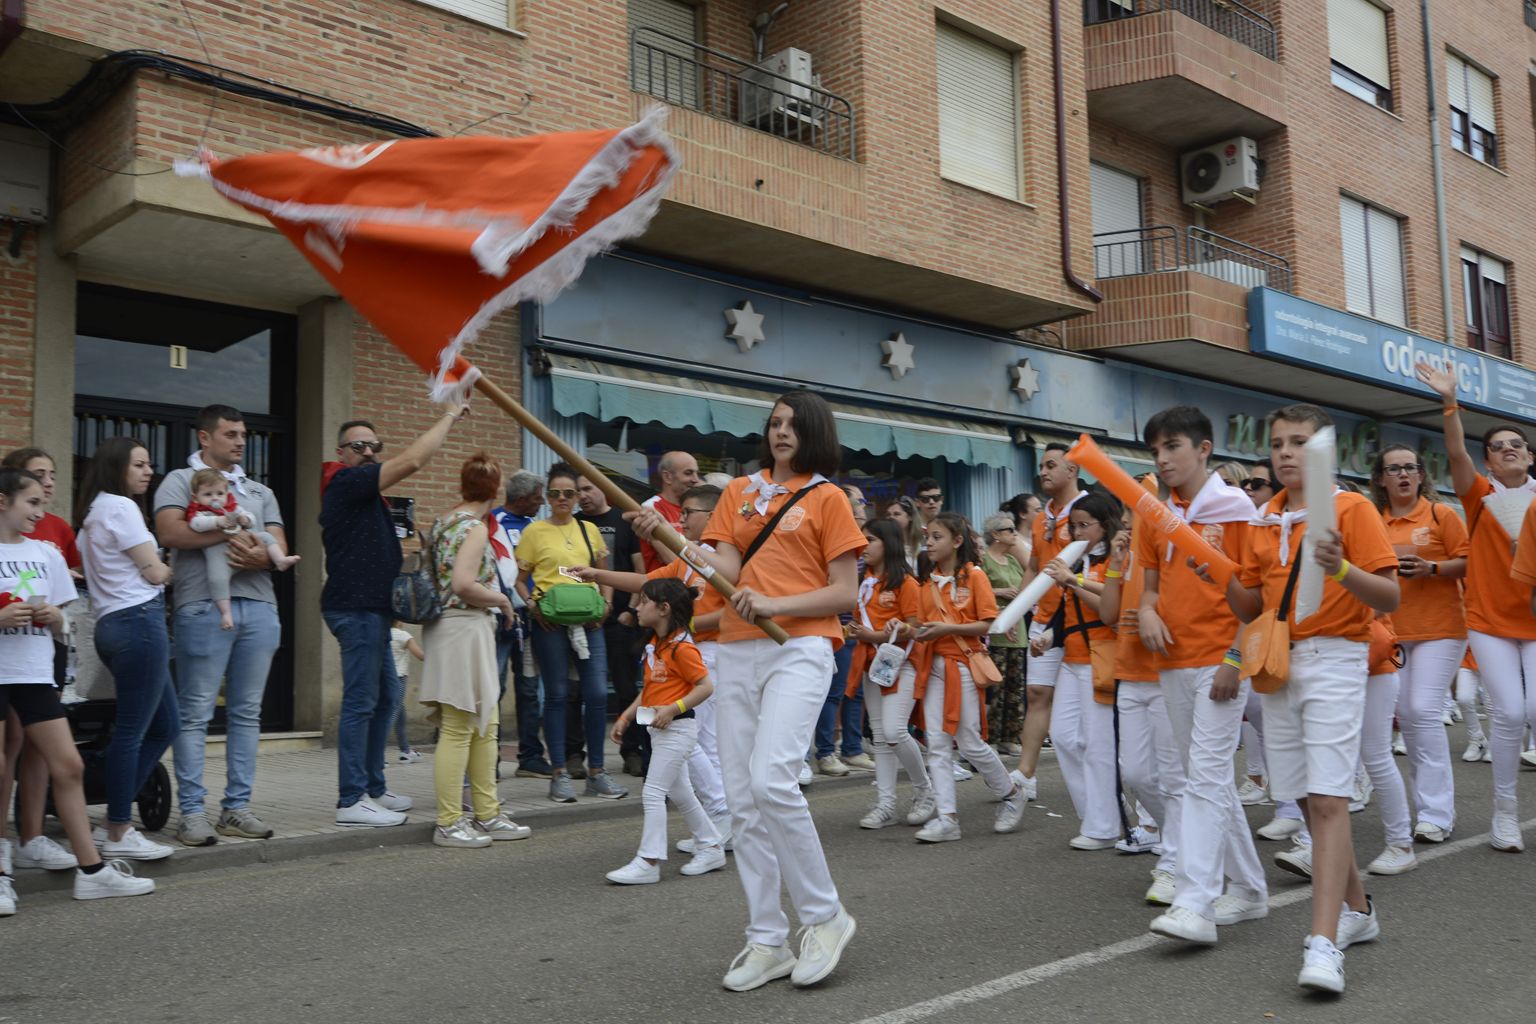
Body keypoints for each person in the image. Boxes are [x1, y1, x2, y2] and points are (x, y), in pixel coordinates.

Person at [632, 390, 863, 991]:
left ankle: (825, 916)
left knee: (771, 780)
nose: (781, 432)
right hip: (735, 649)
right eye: (774, 424)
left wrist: (776, 603)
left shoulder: (828, 497)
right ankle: (767, 939)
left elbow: (843, 594)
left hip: (800, 648)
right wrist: (666, 536)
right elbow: (723, 574)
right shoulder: (738, 491)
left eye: (791, 424)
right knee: (742, 801)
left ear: (812, 431)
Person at [1216, 403, 1398, 995]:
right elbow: (1250, 610)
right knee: (1310, 799)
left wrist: (1340, 567)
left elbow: (1390, 597)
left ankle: (1323, 944)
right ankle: (1359, 912)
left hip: (1337, 661)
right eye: (1277, 444)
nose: (1286, 453)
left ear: (1322, 451)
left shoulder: (1352, 508)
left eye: (1299, 442)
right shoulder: (1261, 519)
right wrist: (1215, 567)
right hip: (1280, 663)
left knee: (1327, 802)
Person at [1135, 406, 1268, 944]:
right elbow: (1147, 586)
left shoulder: (1236, 511)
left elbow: (1255, 600)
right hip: (1171, 660)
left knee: (1203, 780)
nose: (1164, 460)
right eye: (1156, 452)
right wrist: (1145, 611)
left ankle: (1195, 901)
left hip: (1220, 660)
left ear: (1204, 449)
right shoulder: (1154, 514)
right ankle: (1252, 890)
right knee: (1207, 781)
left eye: (1174, 448)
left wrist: (1235, 660)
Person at [0, 467, 154, 913]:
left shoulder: (44, 554)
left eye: (41, 504)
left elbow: (60, 616)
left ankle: (91, 872)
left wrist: (54, 618)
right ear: (3, 501)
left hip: (33, 673)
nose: (39, 511)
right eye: (31, 502)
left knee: (68, 766)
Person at [321, 406, 468, 827]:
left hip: (376, 614)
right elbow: (413, 460)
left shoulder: (368, 497)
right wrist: (450, 416)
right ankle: (351, 800)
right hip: (356, 609)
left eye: (373, 446)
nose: (368, 452)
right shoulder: (345, 481)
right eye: (358, 446)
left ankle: (372, 788)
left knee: (385, 699)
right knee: (361, 702)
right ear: (342, 452)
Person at [154, 404, 287, 845]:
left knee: (247, 713)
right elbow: (171, 533)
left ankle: (236, 808)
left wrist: (260, 555)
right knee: (195, 714)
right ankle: (192, 813)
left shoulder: (259, 490)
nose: (240, 441)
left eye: (243, 433)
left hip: (261, 607)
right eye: (230, 434)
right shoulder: (178, 480)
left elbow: (279, 545)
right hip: (203, 606)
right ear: (204, 438)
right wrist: (230, 535)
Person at [574, 483, 732, 848]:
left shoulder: (723, 560)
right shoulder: (691, 558)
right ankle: (713, 827)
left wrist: (685, 626)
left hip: (709, 657)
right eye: (681, 513)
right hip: (685, 651)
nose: (682, 519)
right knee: (692, 748)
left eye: (688, 513)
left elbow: (733, 612)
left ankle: (722, 821)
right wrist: (598, 575)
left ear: (712, 516)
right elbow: (647, 582)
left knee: (703, 746)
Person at [1421, 362, 1534, 853]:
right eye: (1497, 446)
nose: (1508, 449)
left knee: (1534, 707)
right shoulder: (1480, 496)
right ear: (1488, 462)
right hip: (1489, 623)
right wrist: (1450, 402)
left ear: (1530, 456)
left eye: (1517, 444)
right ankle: (1504, 813)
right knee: (1509, 711)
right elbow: (1452, 450)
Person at [73, 438, 181, 863]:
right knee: (134, 731)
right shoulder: (122, 508)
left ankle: (113, 820)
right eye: (139, 464)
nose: (147, 471)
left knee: (163, 725)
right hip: (139, 622)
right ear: (117, 467)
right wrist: (169, 569)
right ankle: (117, 828)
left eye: (149, 464)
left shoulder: (91, 516)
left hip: (111, 625)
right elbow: (154, 572)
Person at [420, 453, 530, 849]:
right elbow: (465, 584)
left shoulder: (443, 523)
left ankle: (486, 813)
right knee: (463, 725)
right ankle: (450, 821)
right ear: (495, 488)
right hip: (464, 627)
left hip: (451, 628)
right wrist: (501, 600)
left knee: (484, 724)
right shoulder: (475, 529)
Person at [1370, 443, 1467, 844]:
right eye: (1394, 469)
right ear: (1380, 479)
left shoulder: (1440, 514)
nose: (1403, 475)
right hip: (1392, 633)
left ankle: (1436, 814)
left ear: (1422, 476)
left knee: (1422, 711)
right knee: (1406, 718)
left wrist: (1433, 568)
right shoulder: (1372, 519)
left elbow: (1470, 560)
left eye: (1410, 468)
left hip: (1441, 628)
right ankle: (1425, 807)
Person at [515, 463, 627, 804]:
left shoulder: (589, 530)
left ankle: (597, 772)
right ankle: (560, 773)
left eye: (569, 493)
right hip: (550, 621)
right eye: (555, 493)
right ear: (546, 497)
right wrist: (533, 606)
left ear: (578, 496)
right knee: (558, 696)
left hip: (589, 621)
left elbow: (603, 574)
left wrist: (607, 605)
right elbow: (520, 581)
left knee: (595, 695)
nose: (562, 499)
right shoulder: (534, 532)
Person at [911, 512, 1025, 843]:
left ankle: (1012, 792)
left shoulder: (975, 577)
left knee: (971, 742)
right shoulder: (927, 582)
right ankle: (947, 818)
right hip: (933, 667)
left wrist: (949, 628)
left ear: (957, 541)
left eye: (937, 537)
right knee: (936, 741)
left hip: (963, 665)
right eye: (928, 537)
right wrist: (909, 631)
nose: (929, 543)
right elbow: (920, 625)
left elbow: (988, 623)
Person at [604, 578, 726, 883]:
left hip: (679, 730)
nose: (638, 607)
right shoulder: (657, 644)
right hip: (658, 730)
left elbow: (706, 687)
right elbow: (649, 689)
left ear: (664, 608)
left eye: (644, 601)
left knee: (653, 791)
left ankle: (649, 861)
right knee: (681, 794)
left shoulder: (683, 647)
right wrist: (626, 717)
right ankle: (711, 846)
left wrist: (674, 708)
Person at [1098, 476, 1182, 904]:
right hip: (1129, 673)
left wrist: (1154, 614)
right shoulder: (1125, 550)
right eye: (1127, 506)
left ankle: (1174, 862)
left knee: (1172, 778)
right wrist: (1115, 562)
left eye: (1136, 505)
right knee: (1135, 773)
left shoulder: (1170, 543)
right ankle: (1184, 845)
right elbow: (1110, 614)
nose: (1129, 515)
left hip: (1167, 673)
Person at [1, 447, 82, 874]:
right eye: (37, 476)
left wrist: (56, 615)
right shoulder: (15, 521)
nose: (48, 484)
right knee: (10, 746)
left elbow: (69, 596)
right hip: (8, 660)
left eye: (51, 476)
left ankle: (32, 836)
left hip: (38, 656)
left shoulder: (54, 533)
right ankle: (8, 843)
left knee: (40, 747)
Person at [1041, 494, 1124, 852]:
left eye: (1083, 524)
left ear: (1104, 524)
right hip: (1072, 659)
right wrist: (1048, 635)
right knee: (1061, 736)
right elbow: (1065, 609)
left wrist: (1073, 581)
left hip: (1102, 657)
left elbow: (1111, 608)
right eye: (1072, 525)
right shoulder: (1076, 559)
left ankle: (1105, 825)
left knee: (1099, 745)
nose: (1076, 531)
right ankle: (1094, 814)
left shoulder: (1114, 559)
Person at [845, 518, 931, 829]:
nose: (863, 546)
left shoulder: (907, 583)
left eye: (870, 540)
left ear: (889, 544)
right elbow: (860, 624)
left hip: (902, 663)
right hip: (872, 666)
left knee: (894, 732)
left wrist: (880, 634)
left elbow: (916, 627)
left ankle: (925, 790)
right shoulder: (864, 583)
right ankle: (886, 805)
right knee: (881, 738)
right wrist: (853, 633)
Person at [1016, 444, 1086, 800]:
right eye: (1041, 465)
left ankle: (1103, 783)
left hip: (1079, 622)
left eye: (1052, 465)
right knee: (1037, 693)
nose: (1043, 471)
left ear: (1072, 471)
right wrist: (1016, 610)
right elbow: (1033, 566)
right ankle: (1025, 775)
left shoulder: (1087, 512)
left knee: (1084, 711)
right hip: (1044, 619)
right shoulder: (1042, 518)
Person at [576, 473, 645, 776]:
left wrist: (631, 610)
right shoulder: (574, 523)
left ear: (602, 489)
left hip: (620, 619)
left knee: (627, 688)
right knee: (576, 692)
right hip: (581, 619)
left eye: (588, 488)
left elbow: (640, 570)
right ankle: (573, 756)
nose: (582, 495)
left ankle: (632, 751)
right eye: (578, 491)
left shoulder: (623, 521)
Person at [490, 470, 552, 779]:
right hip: (499, 620)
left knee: (529, 689)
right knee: (494, 687)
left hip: (530, 620)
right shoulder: (491, 523)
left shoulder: (538, 527)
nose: (542, 503)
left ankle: (530, 756)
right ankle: (489, 757)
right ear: (522, 498)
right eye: (539, 497)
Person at [183, 469, 300, 632]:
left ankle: (280, 560)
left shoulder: (231, 507)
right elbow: (196, 524)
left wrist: (245, 519)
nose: (215, 498)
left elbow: (249, 517)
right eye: (208, 494)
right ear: (196, 497)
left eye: (219, 493)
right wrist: (217, 521)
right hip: (222, 558)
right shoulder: (199, 512)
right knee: (217, 579)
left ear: (226, 493)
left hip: (249, 551)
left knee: (265, 536)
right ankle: (225, 613)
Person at [980, 513, 1027, 755]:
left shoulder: (1013, 561)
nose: (1014, 534)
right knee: (994, 690)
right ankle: (990, 737)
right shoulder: (984, 560)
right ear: (995, 535)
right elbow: (977, 589)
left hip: (1017, 631)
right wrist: (1001, 590)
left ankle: (1010, 736)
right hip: (995, 632)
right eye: (1009, 529)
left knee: (1015, 688)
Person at [637, 451, 701, 571]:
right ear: (667, 477)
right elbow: (672, 558)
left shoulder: (696, 509)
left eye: (697, 473)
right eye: (688, 473)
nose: (695, 479)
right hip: (664, 586)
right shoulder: (651, 508)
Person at [388, 623, 424, 762]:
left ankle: (405, 750)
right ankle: (377, 756)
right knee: (392, 714)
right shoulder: (403, 635)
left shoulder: (384, 633)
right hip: (399, 679)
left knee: (399, 715)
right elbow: (420, 655)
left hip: (385, 678)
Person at [886, 495, 923, 569]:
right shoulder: (885, 545)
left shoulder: (922, 543)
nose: (891, 518)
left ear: (910, 516)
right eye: (888, 514)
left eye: (896, 514)